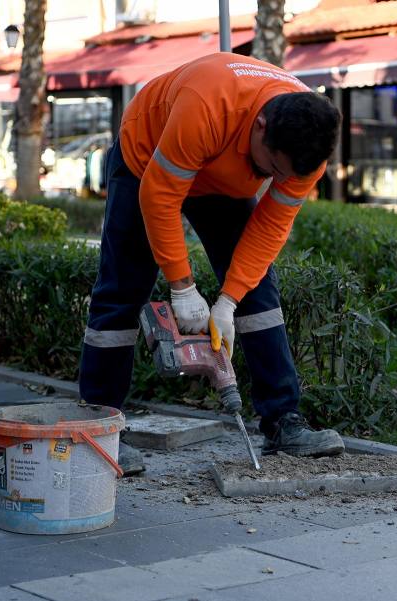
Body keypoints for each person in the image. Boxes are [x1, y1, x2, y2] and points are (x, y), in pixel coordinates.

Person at [79, 53, 345, 475]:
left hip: (221, 176)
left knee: (259, 292)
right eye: (272, 168)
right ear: (261, 126)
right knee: (121, 292)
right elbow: (160, 196)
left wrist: (228, 302)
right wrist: (183, 288)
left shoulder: (305, 148)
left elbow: (271, 227)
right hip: (147, 159)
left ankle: (283, 421)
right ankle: (100, 426)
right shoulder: (208, 102)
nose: (275, 179)